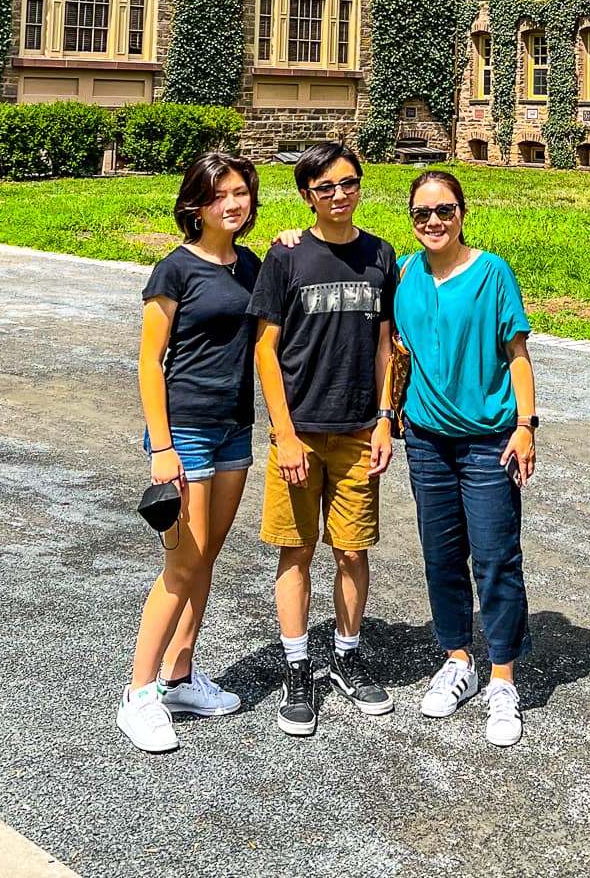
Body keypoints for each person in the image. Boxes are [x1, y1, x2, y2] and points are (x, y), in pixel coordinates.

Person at [249, 141, 396, 737]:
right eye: (326, 187)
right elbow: (265, 349)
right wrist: (283, 434)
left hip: (360, 429)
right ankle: (297, 665)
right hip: (300, 432)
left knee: (353, 550)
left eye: (349, 183)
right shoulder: (286, 258)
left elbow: (388, 344)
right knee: (296, 549)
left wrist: (386, 417)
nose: (340, 195)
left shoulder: (381, 255)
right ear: (307, 195)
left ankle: (347, 654)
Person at [118, 151, 262, 754]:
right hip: (187, 432)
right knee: (181, 566)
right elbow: (151, 361)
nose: (232, 204)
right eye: (219, 195)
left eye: (241, 193)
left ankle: (180, 676)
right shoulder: (175, 270)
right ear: (195, 205)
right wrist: (163, 445)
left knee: (205, 561)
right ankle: (139, 695)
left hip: (234, 430)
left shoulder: (253, 265)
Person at [391, 169, 538, 749]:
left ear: (463, 213)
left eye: (445, 210)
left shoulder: (492, 272)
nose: (433, 222)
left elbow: (518, 355)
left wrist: (526, 426)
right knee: (441, 556)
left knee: (497, 556)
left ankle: (502, 677)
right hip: (425, 439)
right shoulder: (403, 273)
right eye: (423, 213)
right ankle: (459, 660)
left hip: (489, 439)